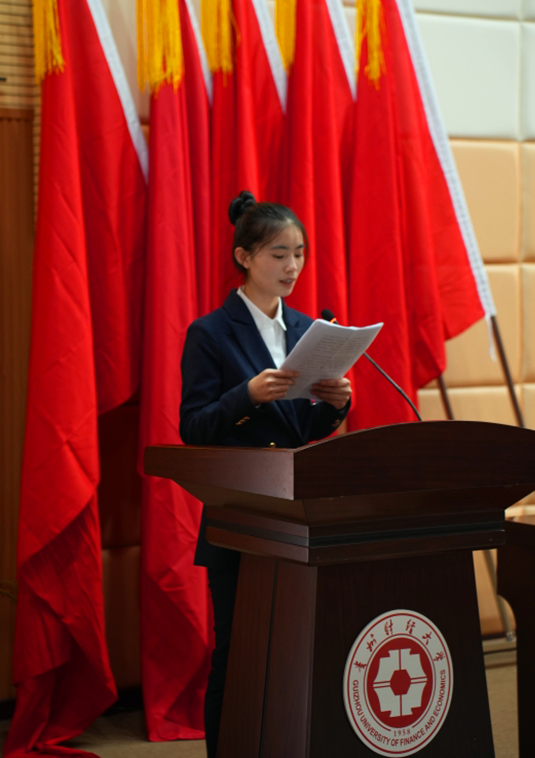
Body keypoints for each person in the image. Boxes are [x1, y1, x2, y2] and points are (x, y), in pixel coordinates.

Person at [179, 191, 351, 758]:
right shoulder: (210, 332)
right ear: (244, 257)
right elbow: (193, 427)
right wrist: (245, 396)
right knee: (238, 650)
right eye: (279, 254)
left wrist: (336, 406)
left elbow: (304, 429)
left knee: (300, 650)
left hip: (298, 514)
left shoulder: (308, 329)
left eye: (299, 254)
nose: (292, 266)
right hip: (241, 516)